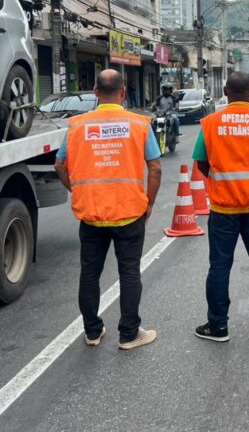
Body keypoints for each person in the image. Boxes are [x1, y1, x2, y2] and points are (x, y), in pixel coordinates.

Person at [53, 69, 162, 350]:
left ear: (95, 92)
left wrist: (77, 190)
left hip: (91, 214)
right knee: (129, 273)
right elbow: (155, 167)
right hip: (129, 212)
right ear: (123, 93)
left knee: (90, 273)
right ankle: (129, 334)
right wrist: (148, 203)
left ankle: (92, 331)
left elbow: (59, 165)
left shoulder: (77, 125)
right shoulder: (139, 124)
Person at [192, 72, 249, 344]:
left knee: (219, 267)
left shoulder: (210, 124)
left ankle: (218, 326)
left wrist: (223, 183)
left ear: (225, 91)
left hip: (223, 210)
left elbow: (201, 163)